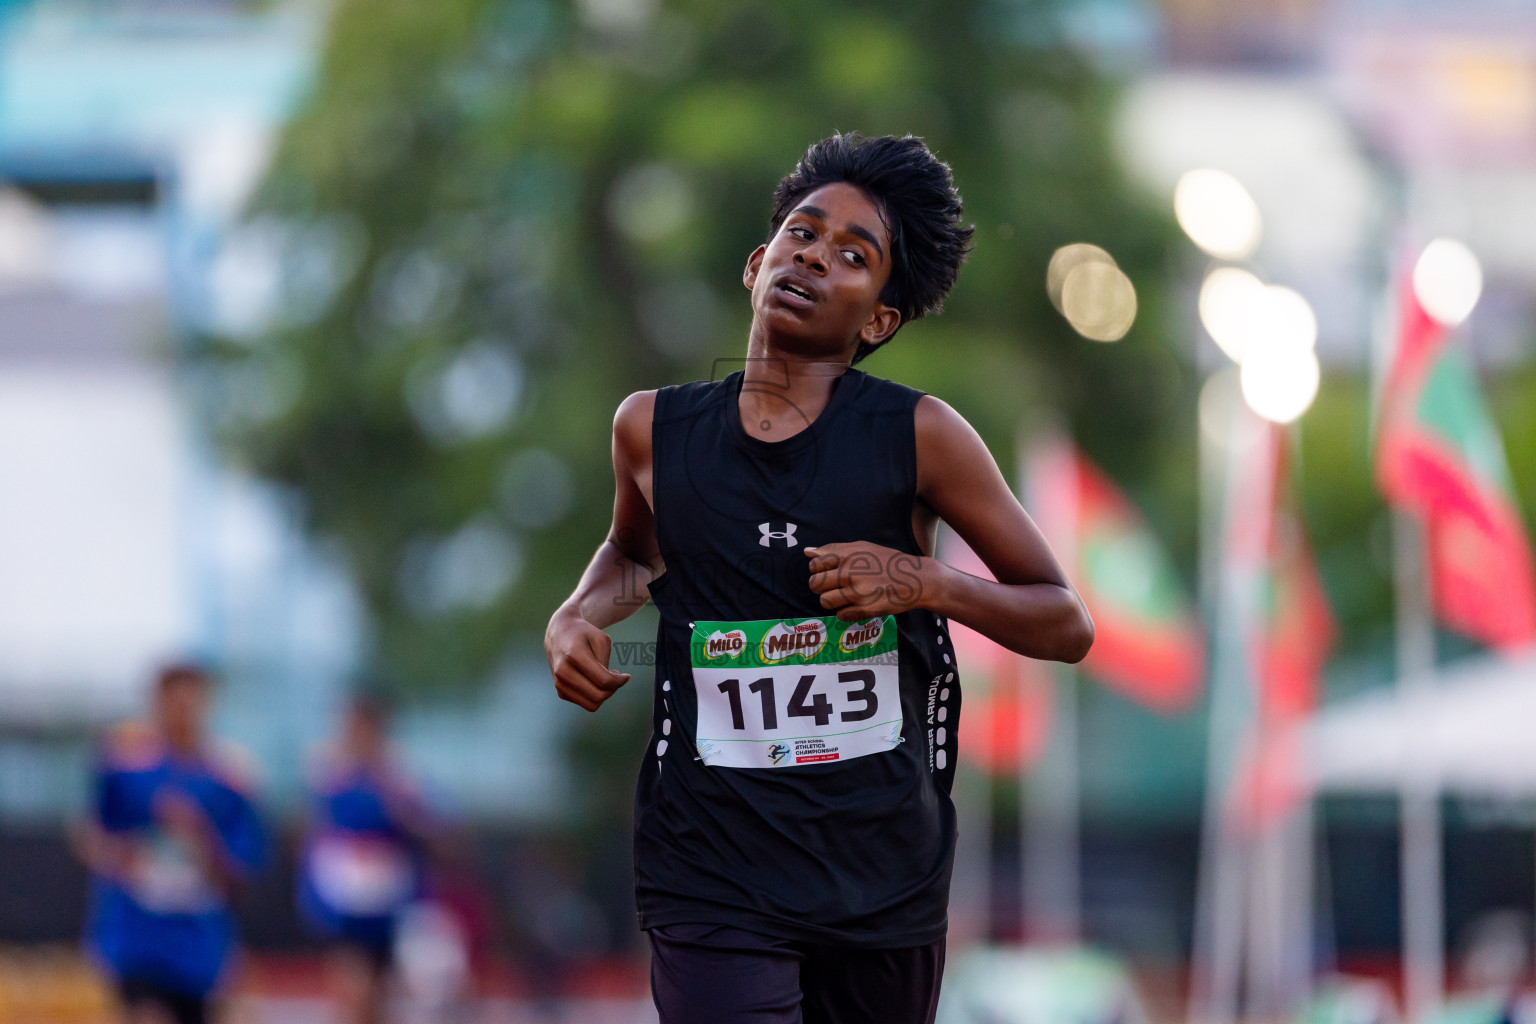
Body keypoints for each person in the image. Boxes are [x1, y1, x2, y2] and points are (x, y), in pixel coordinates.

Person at [544, 132, 1094, 1023]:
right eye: (801, 234)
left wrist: (923, 582)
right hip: (709, 863)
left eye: (852, 255)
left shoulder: (921, 436)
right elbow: (637, 555)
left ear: (878, 320)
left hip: (879, 873)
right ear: (757, 263)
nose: (812, 256)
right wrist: (574, 615)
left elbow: (1065, 622)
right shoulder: (651, 430)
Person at [77, 662, 266, 1024]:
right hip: (137, 935)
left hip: (198, 942)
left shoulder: (229, 778)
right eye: (174, 703)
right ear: (157, 703)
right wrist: (124, 856)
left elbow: (242, 869)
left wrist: (202, 837)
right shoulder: (125, 768)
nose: (182, 713)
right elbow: (93, 834)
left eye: (191, 703)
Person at [297, 692, 438, 1024]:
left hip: (388, 904)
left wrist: (400, 807)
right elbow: (315, 835)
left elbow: (431, 829)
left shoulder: (401, 777)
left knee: (380, 996)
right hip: (344, 903)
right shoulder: (329, 774)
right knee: (354, 986)